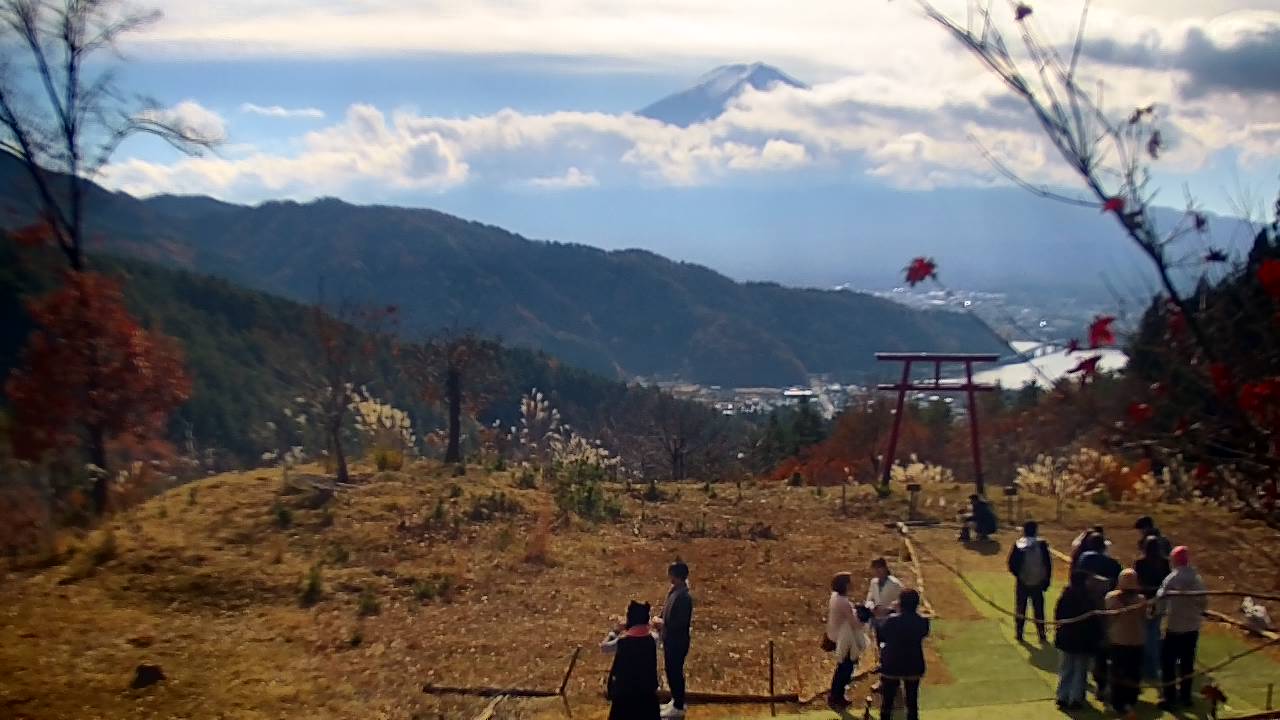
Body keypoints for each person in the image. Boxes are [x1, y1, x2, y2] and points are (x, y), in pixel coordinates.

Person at [1158, 546, 1208, 710]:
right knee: (1187, 664)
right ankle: (1186, 697)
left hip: (1174, 626)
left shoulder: (1171, 579)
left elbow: (1161, 600)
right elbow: (1203, 603)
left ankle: (1169, 696)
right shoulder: (1197, 579)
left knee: (1168, 664)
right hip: (1191, 627)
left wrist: (1158, 613)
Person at [1074, 531, 1121, 698]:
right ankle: (1102, 686)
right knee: (1103, 649)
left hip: (1085, 608)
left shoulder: (1084, 558)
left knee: (1085, 647)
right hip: (1104, 609)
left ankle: (1081, 683)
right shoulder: (1113, 564)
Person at [601, 601, 661, 720]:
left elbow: (604, 647)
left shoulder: (622, 642)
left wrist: (615, 631)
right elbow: (659, 636)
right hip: (647, 695)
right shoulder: (653, 639)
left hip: (624, 696)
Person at [1054, 569, 1103, 710]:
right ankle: (1075, 699)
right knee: (1080, 670)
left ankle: (1062, 697)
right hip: (1082, 641)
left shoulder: (1066, 595)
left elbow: (1058, 615)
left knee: (1066, 668)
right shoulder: (1089, 598)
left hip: (1066, 639)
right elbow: (1094, 621)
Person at [878, 588, 930, 720]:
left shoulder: (891, 621)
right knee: (912, 703)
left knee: (887, 703)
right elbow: (923, 633)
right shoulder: (923, 622)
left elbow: (882, 635)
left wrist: (893, 611)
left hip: (892, 664)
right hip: (913, 664)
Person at [1105, 569, 1148, 714]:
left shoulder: (1111, 598)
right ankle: (1131, 700)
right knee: (1133, 672)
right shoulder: (1141, 600)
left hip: (1118, 640)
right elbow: (1144, 617)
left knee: (1117, 672)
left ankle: (1117, 702)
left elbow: (1109, 617)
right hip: (1136, 641)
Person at [654, 561, 693, 719]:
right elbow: (665, 612)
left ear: (676, 576)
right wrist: (659, 619)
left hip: (678, 641)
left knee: (675, 672)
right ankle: (675, 700)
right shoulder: (673, 592)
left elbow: (681, 623)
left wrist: (663, 623)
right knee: (671, 671)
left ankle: (678, 706)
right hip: (669, 640)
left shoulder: (684, 596)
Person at [827, 571, 870, 710]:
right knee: (845, 669)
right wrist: (864, 619)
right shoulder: (843, 602)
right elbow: (854, 623)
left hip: (837, 635)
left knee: (843, 668)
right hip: (844, 640)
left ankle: (837, 695)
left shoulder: (834, 597)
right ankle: (836, 696)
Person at [1007, 520, 1052, 643]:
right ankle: (1041, 634)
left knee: (1021, 607)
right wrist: (1046, 580)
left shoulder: (1019, 544)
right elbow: (1048, 564)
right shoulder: (1042, 545)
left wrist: (1019, 575)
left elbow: (1011, 564)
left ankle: (1019, 633)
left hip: (1022, 581)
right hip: (1038, 582)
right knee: (1039, 609)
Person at [1134, 535, 1172, 680]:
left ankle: (1145, 666)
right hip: (1159, 601)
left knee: (1144, 634)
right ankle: (1154, 667)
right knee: (1154, 634)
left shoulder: (1140, 563)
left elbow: (1137, 582)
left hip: (1144, 601)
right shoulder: (1164, 563)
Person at [865, 558, 903, 638]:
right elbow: (869, 599)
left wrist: (888, 609)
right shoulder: (873, 582)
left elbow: (901, 601)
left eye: (879, 567)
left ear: (885, 568)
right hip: (876, 619)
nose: (877, 571)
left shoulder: (895, 584)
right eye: (875, 568)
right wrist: (871, 606)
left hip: (890, 620)